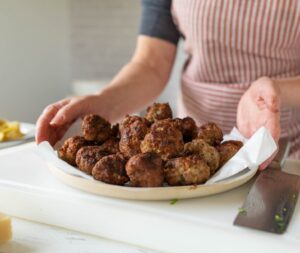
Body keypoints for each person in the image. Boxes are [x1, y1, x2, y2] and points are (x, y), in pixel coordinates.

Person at [36, 0, 300, 168]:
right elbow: (151, 63)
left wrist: (278, 91)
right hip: (186, 156)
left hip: (286, 156)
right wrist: (102, 103)